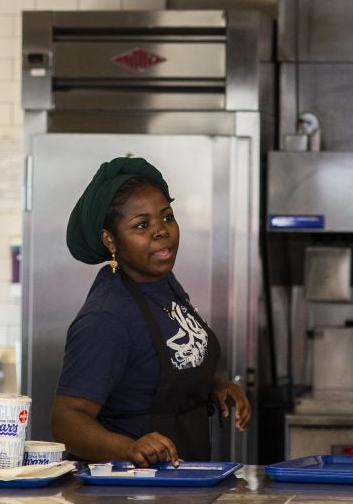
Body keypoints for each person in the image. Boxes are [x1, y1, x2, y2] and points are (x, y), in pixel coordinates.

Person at [52, 157, 251, 467]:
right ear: (110, 240)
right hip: (129, 494)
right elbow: (67, 421)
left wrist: (211, 383)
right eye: (142, 225)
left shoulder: (162, 282)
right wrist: (129, 447)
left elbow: (154, 368)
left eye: (167, 217)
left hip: (180, 482)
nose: (162, 231)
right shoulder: (107, 317)